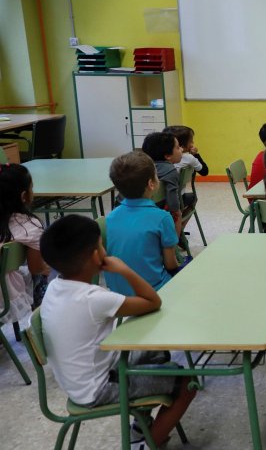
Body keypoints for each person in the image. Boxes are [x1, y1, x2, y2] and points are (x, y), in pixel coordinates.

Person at [39, 215, 196, 448]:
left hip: (81, 379)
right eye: (102, 245)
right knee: (188, 384)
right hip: (98, 388)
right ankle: (147, 443)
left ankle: (139, 426)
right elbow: (153, 301)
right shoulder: (94, 299)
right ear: (96, 255)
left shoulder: (55, 287)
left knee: (159, 351)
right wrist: (124, 269)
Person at [105, 151, 180, 295]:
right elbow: (170, 264)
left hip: (118, 291)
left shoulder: (111, 217)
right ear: (151, 184)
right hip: (153, 290)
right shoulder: (162, 217)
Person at [0, 163, 49, 320]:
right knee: (43, 273)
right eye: (31, 188)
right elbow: (36, 268)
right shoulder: (29, 227)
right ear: (23, 196)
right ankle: (41, 317)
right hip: (5, 295)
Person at [141, 131, 184, 245]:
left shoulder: (139, 167)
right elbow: (173, 202)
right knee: (177, 214)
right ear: (168, 156)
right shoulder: (170, 170)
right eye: (178, 147)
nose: (182, 150)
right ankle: (173, 249)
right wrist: (177, 212)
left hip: (134, 211)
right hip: (155, 211)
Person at [165, 124, 208, 210]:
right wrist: (196, 155)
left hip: (158, 200)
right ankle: (181, 222)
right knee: (193, 198)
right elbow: (204, 171)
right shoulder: (189, 158)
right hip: (178, 199)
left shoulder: (161, 158)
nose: (193, 144)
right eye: (191, 141)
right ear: (182, 146)